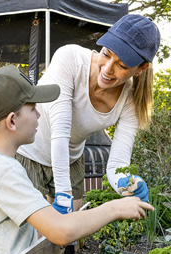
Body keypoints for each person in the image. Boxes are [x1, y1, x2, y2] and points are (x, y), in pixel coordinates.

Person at [0, 65, 154, 254]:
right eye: (33, 108)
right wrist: (116, 208)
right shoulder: (2, 170)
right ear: (12, 121)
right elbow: (61, 232)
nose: (39, 114)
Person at [15, 14, 161, 214]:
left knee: (66, 240)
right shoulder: (70, 59)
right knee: (32, 238)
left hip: (71, 160)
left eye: (122, 65)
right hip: (30, 151)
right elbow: (61, 132)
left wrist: (129, 184)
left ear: (140, 69)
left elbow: (118, 165)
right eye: (106, 54)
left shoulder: (130, 100)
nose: (107, 69)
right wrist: (64, 194)